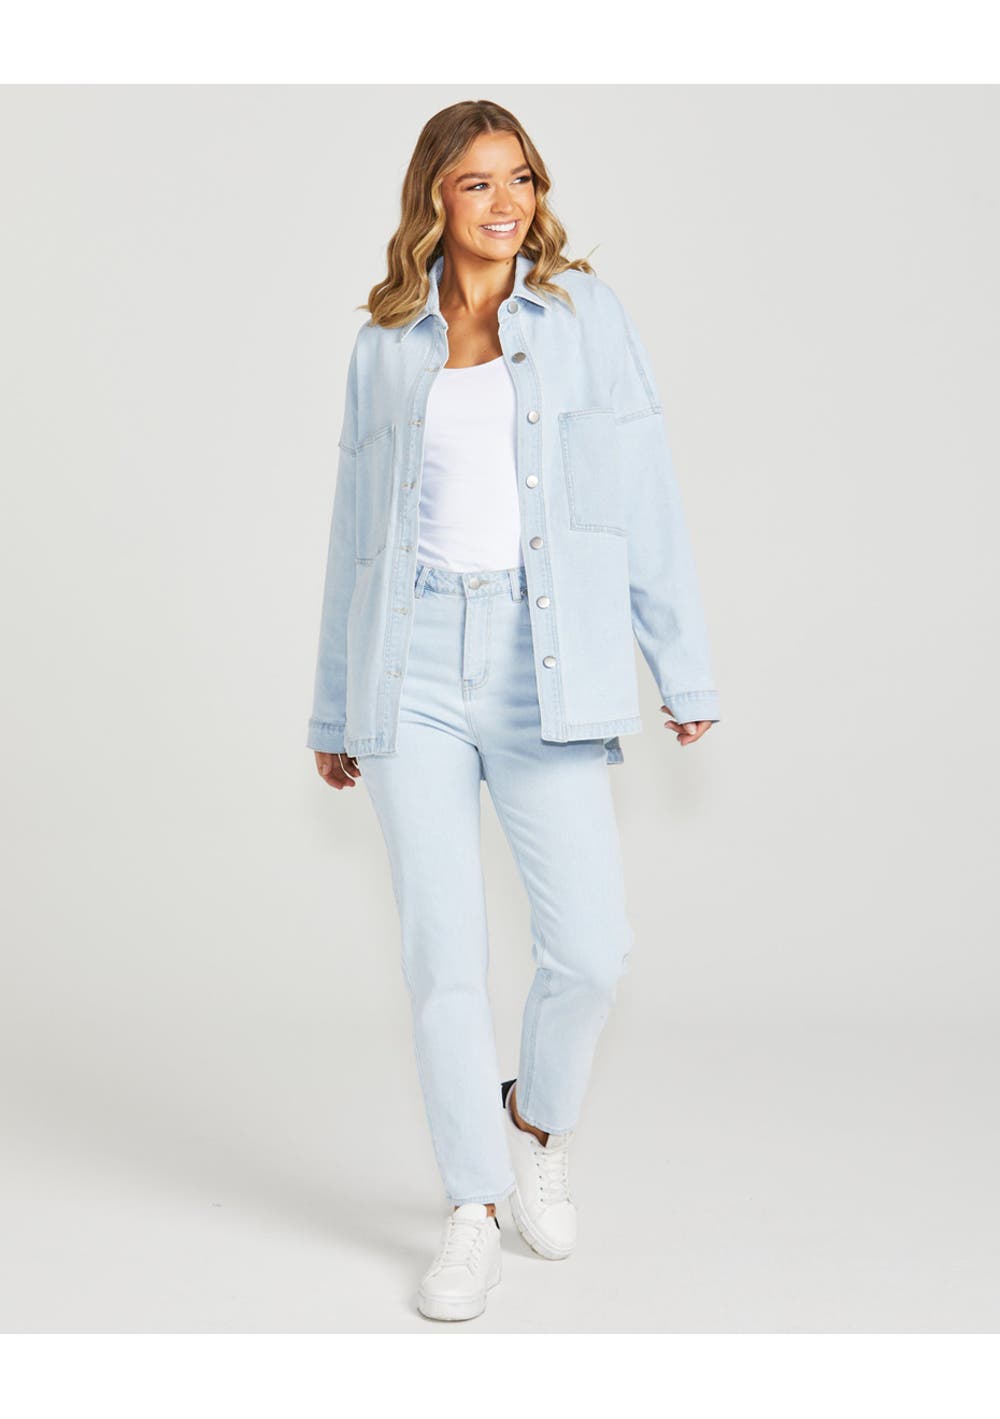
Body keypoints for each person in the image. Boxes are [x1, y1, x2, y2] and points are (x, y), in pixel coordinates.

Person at [307, 100, 720, 1322]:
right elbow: (354, 537)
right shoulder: (384, 343)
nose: (504, 203)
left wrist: (680, 665)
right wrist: (333, 706)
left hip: (548, 661)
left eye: (521, 179)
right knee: (441, 955)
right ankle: (471, 1209)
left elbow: (642, 492)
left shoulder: (586, 318)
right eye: (476, 182)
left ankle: (533, 1126)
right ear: (433, 198)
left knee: (590, 949)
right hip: (413, 665)